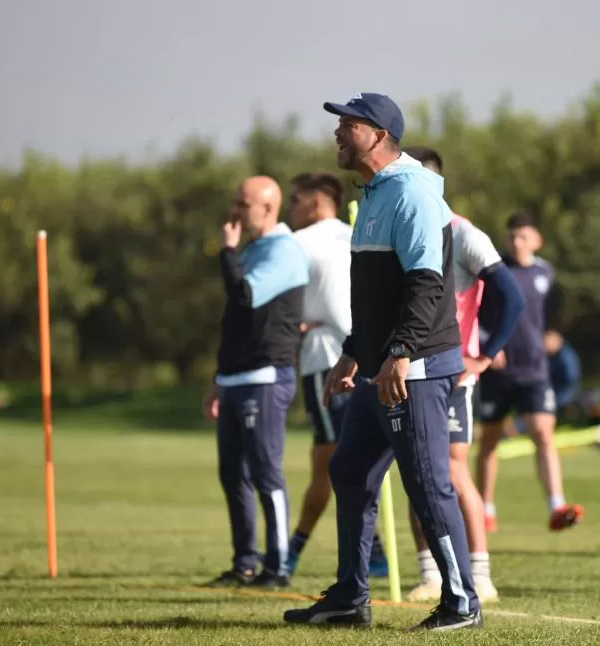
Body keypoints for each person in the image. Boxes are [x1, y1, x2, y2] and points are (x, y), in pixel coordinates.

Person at [282, 92, 482, 631]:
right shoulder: (372, 193)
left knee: (426, 484)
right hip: (377, 368)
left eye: (347, 125)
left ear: (378, 133)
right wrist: (354, 353)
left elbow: (425, 285)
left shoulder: (411, 191)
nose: (337, 135)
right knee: (348, 470)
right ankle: (350, 596)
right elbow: (373, 295)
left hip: (412, 371)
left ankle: (462, 601)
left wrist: (398, 354)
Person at [400, 146, 526, 604]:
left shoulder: (465, 233)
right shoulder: (405, 231)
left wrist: (484, 355)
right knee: (416, 471)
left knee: (452, 471)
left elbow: (512, 298)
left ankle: (480, 572)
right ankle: (431, 573)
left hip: (453, 375)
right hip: (408, 372)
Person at [201, 176, 309, 588]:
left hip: (266, 377)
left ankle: (278, 567)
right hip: (235, 378)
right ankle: (245, 562)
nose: (234, 211)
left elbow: (245, 295)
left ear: (267, 208)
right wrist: (218, 378)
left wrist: (227, 251)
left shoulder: (283, 251)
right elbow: (236, 320)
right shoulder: (254, 249)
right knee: (233, 475)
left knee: (266, 473)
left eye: (242, 203)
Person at [284, 172, 389, 579]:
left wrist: (300, 323)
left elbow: (288, 308)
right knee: (351, 462)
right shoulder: (358, 233)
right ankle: (376, 553)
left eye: (295, 200)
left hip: (327, 363)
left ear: (315, 202)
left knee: (332, 464)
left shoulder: (298, 243)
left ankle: (290, 554)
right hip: (368, 357)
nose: (291, 209)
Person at [475, 212, 584, 533]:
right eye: (512, 236)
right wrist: (487, 347)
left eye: (524, 236)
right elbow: (473, 314)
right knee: (490, 442)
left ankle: (556, 505)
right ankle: (485, 509)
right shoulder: (494, 271)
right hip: (496, 372)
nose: (516, 242)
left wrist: (555, 333)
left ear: (537, 240)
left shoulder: (545, 272)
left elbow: (553, 313)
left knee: (543, 434)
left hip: (534, 370)